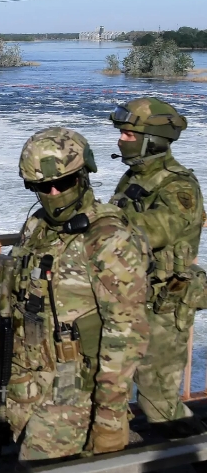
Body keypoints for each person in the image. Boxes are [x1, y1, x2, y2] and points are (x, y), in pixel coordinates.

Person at [0, 127, 150, 462]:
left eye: (64, 182)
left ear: (84, 174)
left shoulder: (108, 238)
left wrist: (109, 420)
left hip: (73, 392)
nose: (54, 192)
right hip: (26, 380)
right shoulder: (38, 226)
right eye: (42, 187)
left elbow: (126, 336)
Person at [108, 97, 207, 437]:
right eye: (122, 133)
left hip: (164, 303)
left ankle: (194, 450)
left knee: (158, 399)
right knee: (110, 386)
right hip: (129, 298)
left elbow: (158, 227)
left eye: (129, 135)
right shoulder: (134, 177)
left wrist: (101, 222)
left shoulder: (178, 185)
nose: (121, 139)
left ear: (154, 140)